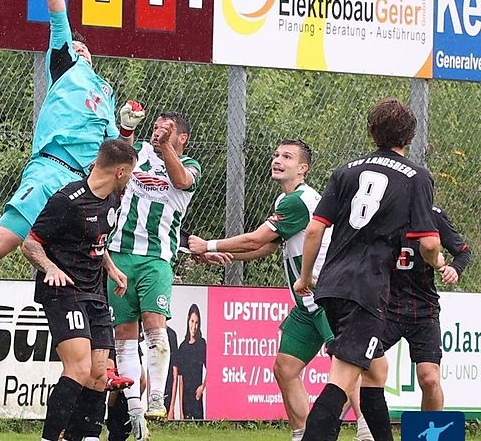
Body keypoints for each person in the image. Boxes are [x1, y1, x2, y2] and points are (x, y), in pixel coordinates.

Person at [0, 0, 144, 265]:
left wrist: (127, 126)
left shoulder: (105, 93)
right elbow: (58, 17)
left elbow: (119, 153)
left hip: (81, 186)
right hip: (50, 170)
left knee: (79, 261)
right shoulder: (65, 65)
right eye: (74, 44)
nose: (78, 48)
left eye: (82, 46)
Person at [189, 140, 372, 441]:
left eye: (287, 157)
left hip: (327, 297)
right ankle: (302, 435)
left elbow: (255, 239)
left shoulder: (298, 201)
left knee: (345, 368)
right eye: (276, 155)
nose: (278, 160)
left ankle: (367, 432)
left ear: (303, 169)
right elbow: (268, 245)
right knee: (285, 368)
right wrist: (222, 255)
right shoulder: (285, 201)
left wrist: (210, 244)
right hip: (306, 304)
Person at [294, 99, 442, 441]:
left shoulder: (346, 170)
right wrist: (436, 262)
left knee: (374, 370)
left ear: (371, 132)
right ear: (410, 137)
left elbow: (315, 230)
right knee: (340, 384)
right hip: (367, 290)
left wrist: (305, 278)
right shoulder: (416, 176)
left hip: (331, 286)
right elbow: (431, 244)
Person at [22, 139, 137, 441]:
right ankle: (49, 437)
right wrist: (51, 268)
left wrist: (111, 269)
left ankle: (84, 436)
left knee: (99, 374)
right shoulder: (67, 201)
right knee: (79, 366)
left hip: (95, 292)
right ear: (120, 172)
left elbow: (97, 242)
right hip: (64, 291)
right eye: (131, 174)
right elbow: (30, 243)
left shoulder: (112, 199)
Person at [107, 112, 208, 436]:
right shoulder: (140, 153)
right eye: (155, 128)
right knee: (124, 333)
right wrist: (127, 127)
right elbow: (115, 161)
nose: (158, 133)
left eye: (167, 130)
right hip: (121, 252)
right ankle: (135, 411)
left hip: (156, 257)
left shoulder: (189, 163)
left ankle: (155, 399)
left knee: (154, 324)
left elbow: (182, 182)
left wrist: (165, 148)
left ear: (182, 138)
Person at [383, 206, 471, 411]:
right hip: (385, 308)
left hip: (423, 310)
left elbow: (463, 252)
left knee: (429, 378)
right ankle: (362, 429)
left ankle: (430, 432)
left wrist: (454, 269)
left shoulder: (433, 216)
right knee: (357, 367)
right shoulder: (383, 211)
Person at [170, 304, 206, 420]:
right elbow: (180, 379)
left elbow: (211, 368)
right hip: (185, 398)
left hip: (197, 395)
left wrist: (202, 386)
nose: (194, 326)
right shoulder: (183, 347)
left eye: (196, 322)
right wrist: (180, 410)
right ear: (188, 321)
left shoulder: (202, 344)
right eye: (192, 321)